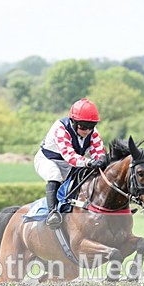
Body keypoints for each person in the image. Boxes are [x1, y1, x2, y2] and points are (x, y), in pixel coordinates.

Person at [34, 97, 106, 229]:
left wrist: (100, 160)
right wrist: (90, 162)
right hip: (48, 160)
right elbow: (70, 156)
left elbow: (99, 151)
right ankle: (53, 213)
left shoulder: (93, 133)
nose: (87, 131)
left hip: (72, 165)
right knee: (54, 175)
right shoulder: (60, 129)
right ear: (73, 122)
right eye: (83, 126)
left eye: (91, 126)